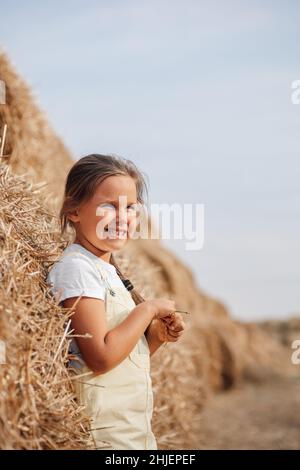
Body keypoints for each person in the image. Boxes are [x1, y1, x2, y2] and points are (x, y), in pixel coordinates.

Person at [46, 153, 186, 450]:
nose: (123, 218)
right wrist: (147, 309)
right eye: (109, 206)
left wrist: (154, 338)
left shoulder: (108, 272)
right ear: (73, 211)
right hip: (105, 440)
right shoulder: (77, 269)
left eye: (131, 208)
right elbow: (100, 358)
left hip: (133, 434)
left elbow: (121, 363)